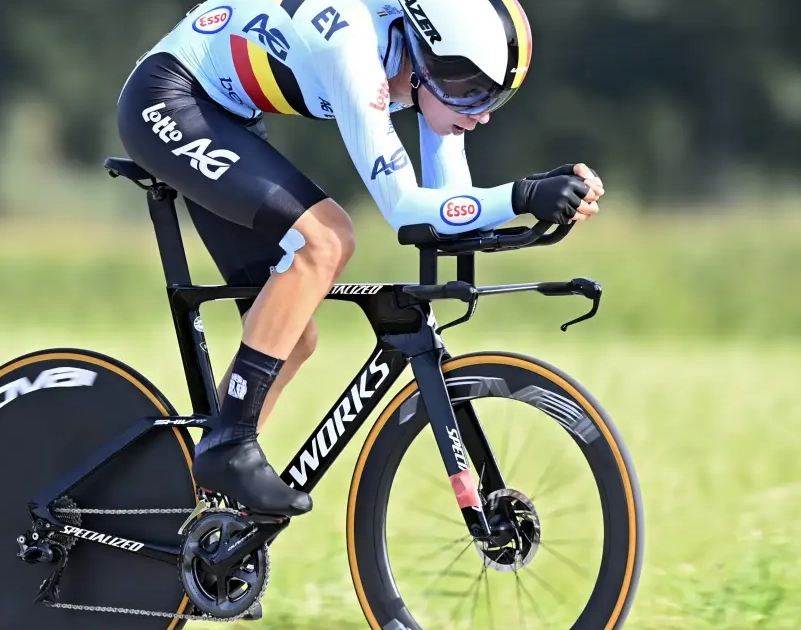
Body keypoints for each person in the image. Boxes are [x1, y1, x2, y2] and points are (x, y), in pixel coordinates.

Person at [116, 0, 605, 518]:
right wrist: (522, 195)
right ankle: (228, 446)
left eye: (495, 98)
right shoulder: (353, 49)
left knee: (294, 336)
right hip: (169, 99)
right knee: (327, 239)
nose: (481, 114)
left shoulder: (423, 69)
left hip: (226, 115)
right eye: (473, 92)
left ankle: (190, 517)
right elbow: (405, 208)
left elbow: (448, 209)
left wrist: (542, 193)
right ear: (429, 61)